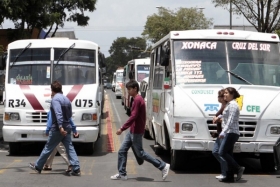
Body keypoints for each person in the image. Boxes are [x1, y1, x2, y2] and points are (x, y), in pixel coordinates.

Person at [110, 79, 170, 181]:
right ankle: (122, 173)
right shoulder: (136, 99)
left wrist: (122, 128)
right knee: (122, 151)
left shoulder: (138, 100)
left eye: (129, 89)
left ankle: (163, 166)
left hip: (136, 132)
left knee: (141, 153)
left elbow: (133, 116)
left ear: (135, 89)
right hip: (132, 131)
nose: (128, 91)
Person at [29, 81, 81, 176]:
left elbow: (58, 114)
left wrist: (60, 127)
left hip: (58, 128)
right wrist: (72, 128)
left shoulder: (55, 100)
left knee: (48, 147)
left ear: (52, 90)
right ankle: (76, 167)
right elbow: (69, 116)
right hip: (67, 127)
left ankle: (38, 166)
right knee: (69, 147)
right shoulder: (67, 100)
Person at [218, 87, 245, 182]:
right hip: (229, 132)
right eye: (224, 93)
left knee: (222, 152)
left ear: (232, 95)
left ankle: (238, 168)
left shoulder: (233, 104)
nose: (224, 95)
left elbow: (231, 120)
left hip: (231, 132)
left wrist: (223, 131)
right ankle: (229, 177)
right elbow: (227, 116)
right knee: (229, 154)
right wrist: (220, 116)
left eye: (226, 93)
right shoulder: (229, 104)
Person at [43, 107, 79, 174]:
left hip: (55, 130)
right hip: (65, 129)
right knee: (53, 148)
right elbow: (70, 120)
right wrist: (74, 129)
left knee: (59, 148)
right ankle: (47, 164)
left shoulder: (53, 110)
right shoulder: (65, 110)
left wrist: (47, 130)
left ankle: (70, 164)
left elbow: (50, 121)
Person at [212, 89, 227, 180]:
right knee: (215, 152)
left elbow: (227, 120)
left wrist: (217, 119)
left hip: (223, 133)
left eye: (219, 96)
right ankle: (225, 171)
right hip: (219, 133)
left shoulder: (226, 107)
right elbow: (217, 116)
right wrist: (215, 117)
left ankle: (225, 172)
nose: (218, 98)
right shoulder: (222, 106)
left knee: (221, 153)